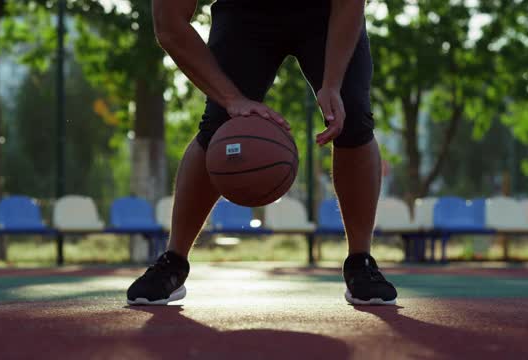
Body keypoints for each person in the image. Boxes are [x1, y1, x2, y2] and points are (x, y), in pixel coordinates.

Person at [127, 0, 397, 306]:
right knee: (219, 125)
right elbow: (169, 25)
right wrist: (231, 99)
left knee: (352, 115)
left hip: (325, 11)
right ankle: (173, 261)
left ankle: (360, 261)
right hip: (244, 12)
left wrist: (333, 83)